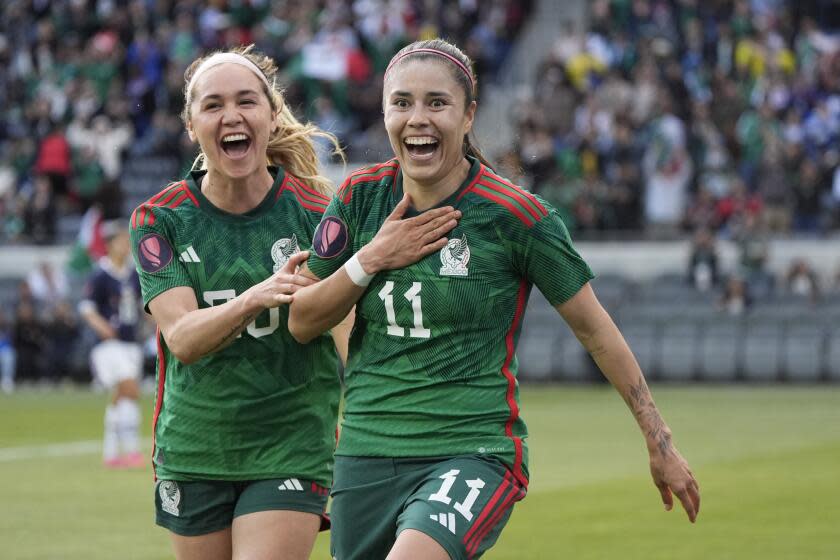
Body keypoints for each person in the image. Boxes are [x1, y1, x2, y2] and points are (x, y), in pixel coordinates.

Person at [288, 39, 700, 560]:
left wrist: (659, 442)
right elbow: (302, 321)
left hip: (471, 449)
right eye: (402, 103)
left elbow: (596, 330)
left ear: (468, 116)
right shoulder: (358, 199)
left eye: (437, 103)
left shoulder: (516, 217)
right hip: (366, 452)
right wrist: (370, 259)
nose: (418, 118)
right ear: (385, 111)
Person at [128, 45, 347, 560]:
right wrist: (255, 297)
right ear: (191, 126)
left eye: (247, 101)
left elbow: (350, 340)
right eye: (213, 105)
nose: (232, 116)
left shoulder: (319, 214)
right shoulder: (160, 219)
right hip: (195, 446)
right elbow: (182, 339)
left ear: (272, 115)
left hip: (291, 443)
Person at [79, 220, 144, 468]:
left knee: (122, 396)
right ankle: (131, 449)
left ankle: (113, 453)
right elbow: (86, 308)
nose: (126, 245)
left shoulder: (132, 274)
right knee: (129, 389)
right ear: (108, 245)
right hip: (109, 345)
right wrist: (102, 327)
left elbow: (142, 307)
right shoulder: (100, 275)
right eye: (120, 241)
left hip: (130, 343)